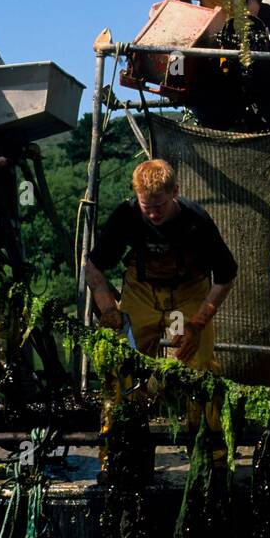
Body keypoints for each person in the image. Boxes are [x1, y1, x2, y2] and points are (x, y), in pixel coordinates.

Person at [84, 158, 238, 472]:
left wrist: (197, 323)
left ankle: (209, 456)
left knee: (199, 367)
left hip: (187, 294)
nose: (153, 214)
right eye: (146, 207)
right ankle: (120, 451)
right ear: (136, 197)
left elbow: (225, 275)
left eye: (160, 206)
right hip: (142, 291)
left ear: (175, 193)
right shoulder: (126, 216)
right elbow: (93, 267)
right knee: (125, 364)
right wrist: (108, 310)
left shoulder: (196, 221)